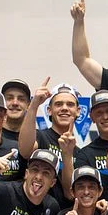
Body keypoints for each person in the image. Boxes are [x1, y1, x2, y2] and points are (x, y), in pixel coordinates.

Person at [18, 79, 79, 207]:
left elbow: (70, 193)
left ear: (78, 111)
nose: (64, 108)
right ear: (49, 110)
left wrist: (67, 154)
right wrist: (34, 105)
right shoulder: (40, 136)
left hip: (61, 214)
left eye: (70, 104)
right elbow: (25, 151)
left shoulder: (80, 152)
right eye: (58, 104)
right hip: (32, 210)